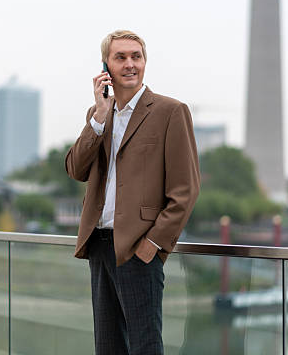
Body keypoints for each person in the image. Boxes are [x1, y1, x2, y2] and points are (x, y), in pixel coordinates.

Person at [65, 29, 200, 355]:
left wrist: (152, 244)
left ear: (144, 62)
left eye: (136, 56)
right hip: (99, 245)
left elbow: (186, 190)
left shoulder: (170, 111)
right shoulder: (97, 115)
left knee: (145, 347)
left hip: (139, 249)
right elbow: (76, 169)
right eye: (120, 57)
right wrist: (98, 117)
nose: (130, 64)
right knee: (108, 347)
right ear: (105, 67)